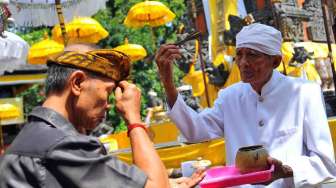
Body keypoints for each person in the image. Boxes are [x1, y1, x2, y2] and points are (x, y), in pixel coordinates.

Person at [155, 23, 336, 187]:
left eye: (252, 55)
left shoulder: (304, 92)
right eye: (239, 55)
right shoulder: (230, 97)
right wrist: (168, 84)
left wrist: (286, 170)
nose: (242, 63)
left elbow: (325, 163)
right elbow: (195, 131)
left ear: (275, 61)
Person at [0, 43, 203, 188]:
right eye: (107, 92)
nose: (109, 105)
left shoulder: (35, 138)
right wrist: (134, 119)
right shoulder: (61, 145)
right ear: (77, 83)